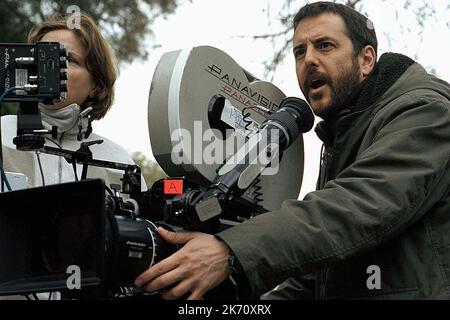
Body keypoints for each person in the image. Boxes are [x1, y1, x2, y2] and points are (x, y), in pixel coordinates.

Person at [134, 1, 450, 300]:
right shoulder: (346, 132)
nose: (309, 60)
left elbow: (360, 206)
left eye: (325, 45)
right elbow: (320, 274)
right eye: (300, 51)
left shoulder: (425, 110)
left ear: (366, 59)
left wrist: (230, 250)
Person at [1, 12, 145, 192]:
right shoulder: (2, 133)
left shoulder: (119, 162)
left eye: (68, 59)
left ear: (96, 85)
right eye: (42, 55)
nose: (49, 67)